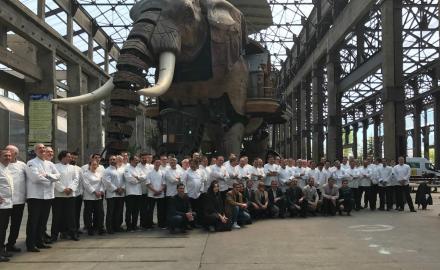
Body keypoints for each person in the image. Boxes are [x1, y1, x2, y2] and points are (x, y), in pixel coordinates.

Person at [26, 144, 60, 252]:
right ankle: (31, 244)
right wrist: (51, 178)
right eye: (39, 148)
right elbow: (35, 178)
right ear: (35, 151)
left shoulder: (50, 163)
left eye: (43, 148)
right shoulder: (31, 163)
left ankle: (40, 241)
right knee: (33, 221)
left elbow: (58, 176)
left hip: (48, 196)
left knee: (43, 221)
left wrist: (46, 175)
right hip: (36, 196)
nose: (42, 150)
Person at [52, 151, 80, 241]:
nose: (70, 158)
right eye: (68, 157)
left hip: (70, 195)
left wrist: (70, 188)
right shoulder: (55, 166)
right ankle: (54, 235)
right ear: (62, 157)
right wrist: (63, 189)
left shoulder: (73, 167)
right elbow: (55, 180)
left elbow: (76, 179)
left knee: (71, 216)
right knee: (57, 216)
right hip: (59, 195)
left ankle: (73, 233)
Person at [4, 145, 26, 253]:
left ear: (16, 154)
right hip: (4, 202)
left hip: (19, 200)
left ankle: (11, 244)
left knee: (16, 225)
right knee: (3, 226)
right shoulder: (2, 165)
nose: (7, 155)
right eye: (6, 152)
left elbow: (30, 179)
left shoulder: (22, 165)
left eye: (10, 152)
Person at [103, 155, 125, 234]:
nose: (113, 160)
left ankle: (117, 226)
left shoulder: (121, 170)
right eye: (111, 159)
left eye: (114, 159)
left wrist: (122, 188)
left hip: (121, 194)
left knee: (118, 211)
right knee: (110, 212)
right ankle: (109, 228)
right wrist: (116, 189)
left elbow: (124, 180)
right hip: (111, 194)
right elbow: (107, 182)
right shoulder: (107, 170)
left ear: (117, 160)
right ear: (109, 161)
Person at [82, 160, 105, 236]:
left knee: (100, 213)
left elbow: (102, 183)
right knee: (88, 214)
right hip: (89, 196)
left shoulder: (99, 174)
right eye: (93, 164)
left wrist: (101, 191)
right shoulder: (85, 174)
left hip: (98, 196)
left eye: (96, 165)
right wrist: (95, 192)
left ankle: (100, 228)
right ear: (89, 165)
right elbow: (86, 185)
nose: (94, 166)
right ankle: (89, 229)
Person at [124, 156, 144, 232]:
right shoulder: (127, 168)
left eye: (137, 160)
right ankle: (129, 227)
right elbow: (130, 179)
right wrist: (139, 180)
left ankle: (134, 226)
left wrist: (137, 177)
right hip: (130, 192)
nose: (137, 161)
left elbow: (144, 177)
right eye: (136, 160)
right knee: (129, 210)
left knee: (136, 211)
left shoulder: (139, 168)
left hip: (138, 192)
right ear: (131, 160)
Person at [146, 157, 167, 229]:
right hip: (152, 194)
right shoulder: (149, 173)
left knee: (161, 210)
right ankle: (149, 225)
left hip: (160, 194)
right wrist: (155, 191)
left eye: (159, 162)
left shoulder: (162, 173)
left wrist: (160, 191)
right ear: (154, 163)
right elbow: (148, 184)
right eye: (156, 162)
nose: (158, 164)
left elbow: (164, 184)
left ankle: (161, 224)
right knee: (150, 211)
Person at [0, 149, 13, 261]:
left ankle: (2, 250)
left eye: (9, 155)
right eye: (5, 155)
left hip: (7, 204)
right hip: (1, 204)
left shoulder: (7, 168)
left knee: (3, 228)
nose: (8, 157)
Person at [182, 159, 203, 226]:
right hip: (189, 194)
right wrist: (185, 192)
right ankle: (190, 224)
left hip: (198, 194)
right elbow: (183, 182)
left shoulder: (199, 172)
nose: (192, 165)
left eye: (194, 164)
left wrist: (201, 190)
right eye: (191, 164)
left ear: (196, 164)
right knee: (190, 210)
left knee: (197, 209)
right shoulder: (186, 172)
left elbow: (202, 181)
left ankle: (196, 223)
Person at [137, 153, 153, 229]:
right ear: (140, 158)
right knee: (142, 209)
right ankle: (143, 224)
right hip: (141, 190)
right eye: (143, 158)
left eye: (146, 158)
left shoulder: (150, 167)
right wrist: (143, 177)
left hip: (150, 191)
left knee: (149, 208)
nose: (144, 159)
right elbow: (139, 178)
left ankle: (149, 223)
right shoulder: (137, 167)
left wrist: (142, 177)